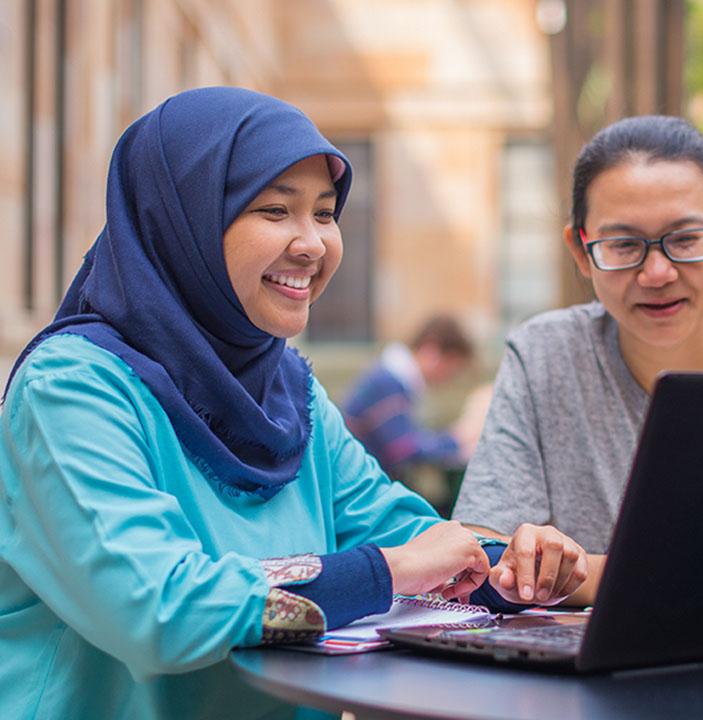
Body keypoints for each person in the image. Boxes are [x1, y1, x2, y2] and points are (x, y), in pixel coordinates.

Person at [0, 87, 587, 720]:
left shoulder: (289, 390)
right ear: (183, 219)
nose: (312, 244)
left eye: (326, 214)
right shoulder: (73, 387)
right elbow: (157, 607)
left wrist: (512, 569)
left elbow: (405, 532)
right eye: (275, 210)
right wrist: (385, 572)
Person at [452, 115, 703, 606]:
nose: (657, 272)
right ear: (581, 252)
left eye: (685, 239)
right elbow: (478, 562)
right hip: (598, 676)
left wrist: (581, 574)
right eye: (624, 244)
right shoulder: (546, 355)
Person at [342, 315, 480, 478]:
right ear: (431, 351)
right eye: (451, 369)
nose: (449, 378)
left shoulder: (394, 379)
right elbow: (404, 448)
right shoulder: (388, 383)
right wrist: (456, 439)